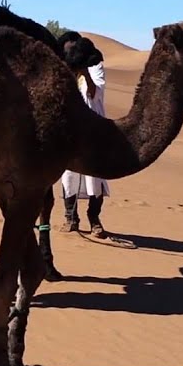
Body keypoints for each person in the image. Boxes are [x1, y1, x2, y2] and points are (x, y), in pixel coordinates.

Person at [57, 32, 110, 238]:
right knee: (68, 176)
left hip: (94, 130)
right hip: (69, 131)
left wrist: (84, 72)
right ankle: (71, 218)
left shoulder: (95, 66)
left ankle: (94, 219)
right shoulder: (63, 68)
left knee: (94, 177)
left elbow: (95, 93)